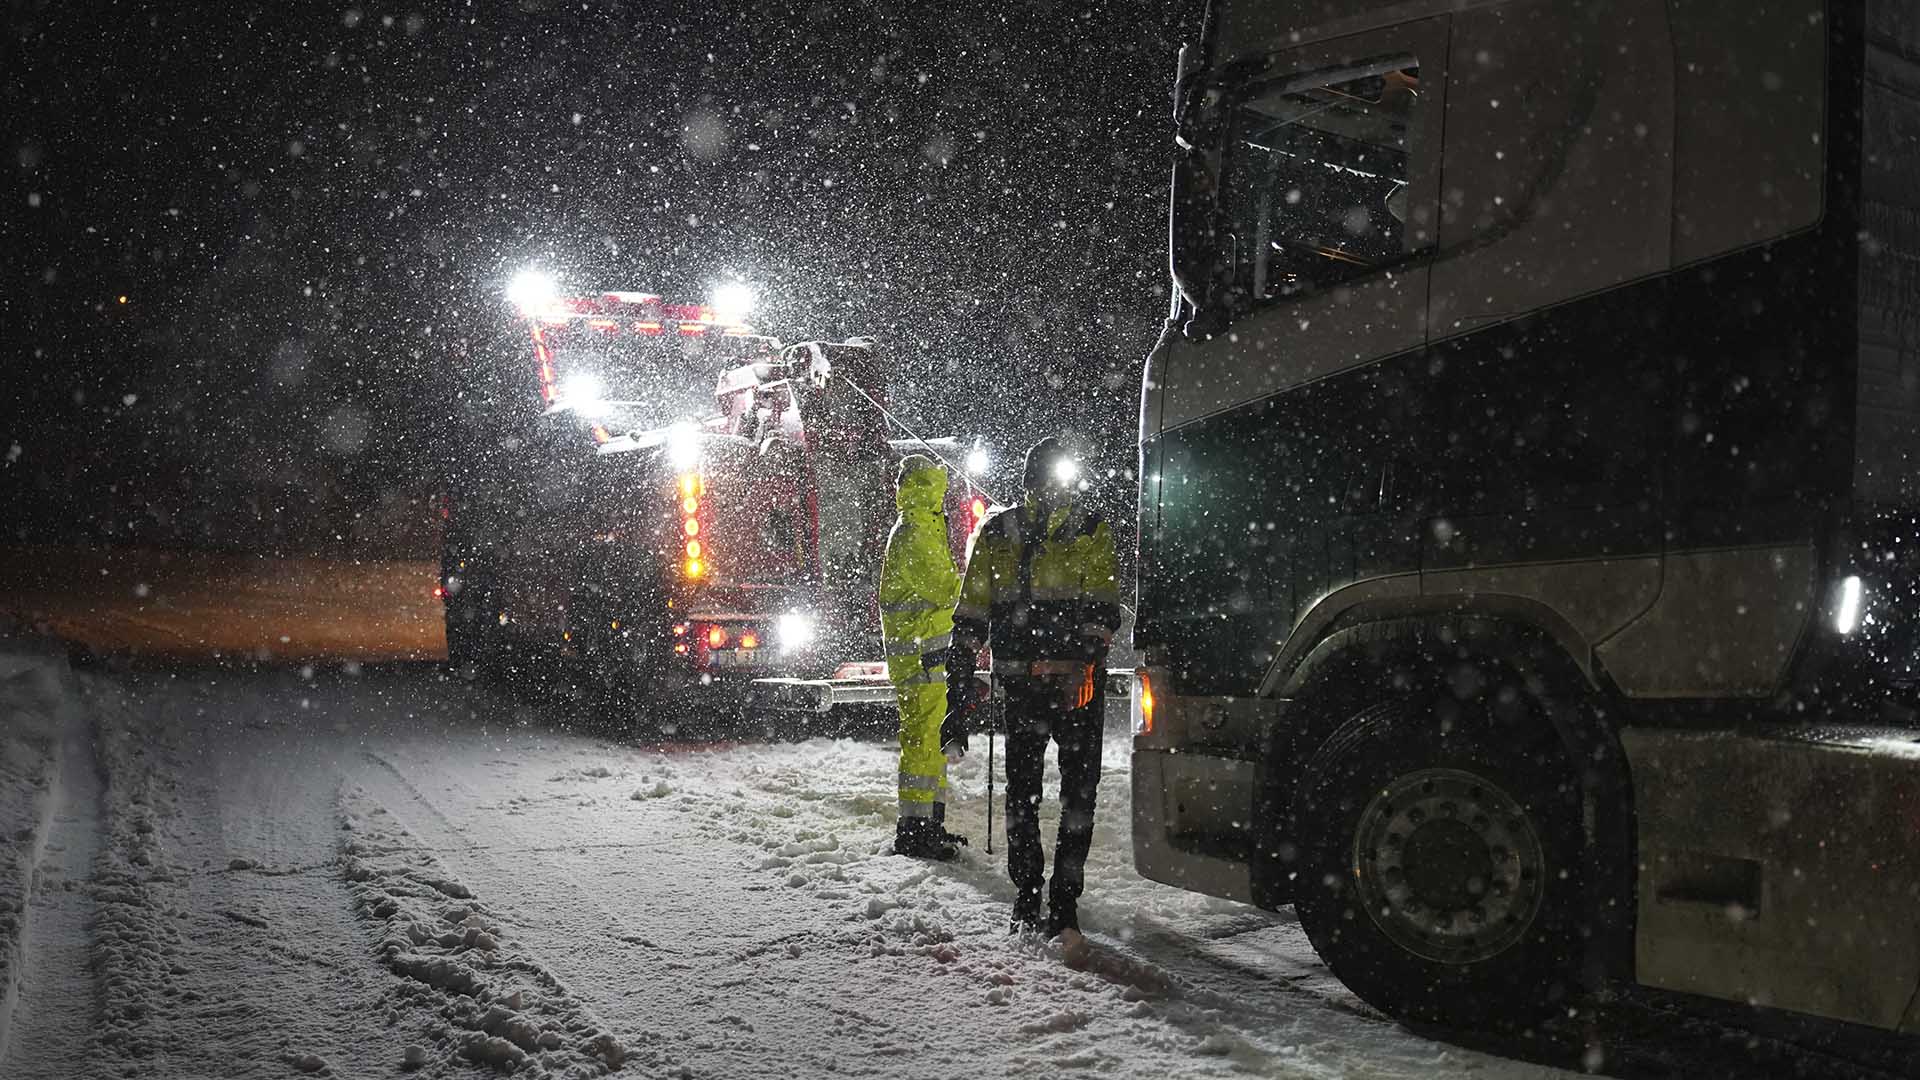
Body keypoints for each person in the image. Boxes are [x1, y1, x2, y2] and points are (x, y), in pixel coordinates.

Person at [943, 437, 1121, 935]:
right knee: (1042, 795)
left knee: (1059, 795)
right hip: (1037, 687)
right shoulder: (1008, 533)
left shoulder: (1079, 530)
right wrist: (960, 673)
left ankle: (1056, 899)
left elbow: (1104, 609)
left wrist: (1084, 664)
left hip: (1068, 686)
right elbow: (973, 614)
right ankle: (1038, 896)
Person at [879, 455, 969, 860]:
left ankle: (929, 824)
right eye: (939, 488)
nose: (944, 496)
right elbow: (945, 588)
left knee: (931, 743)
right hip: (918, 660)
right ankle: (914, 832)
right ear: (929, 488)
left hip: (929, 658)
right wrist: (983, 573)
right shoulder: (915, 533)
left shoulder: (925, 529)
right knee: (921, 744)